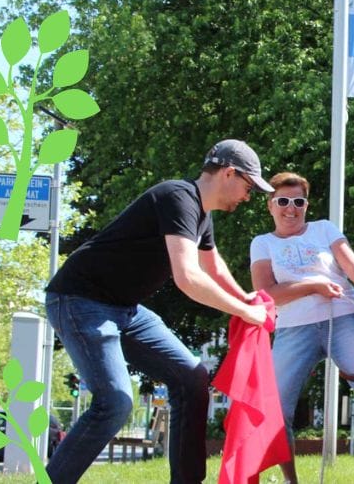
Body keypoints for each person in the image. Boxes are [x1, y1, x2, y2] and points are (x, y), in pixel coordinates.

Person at [44, 139, 273, 484]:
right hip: (80, 301)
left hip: (126, 310)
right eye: (249, 186)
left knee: (192, 377)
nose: (247, 196)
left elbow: (211, 265)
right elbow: (189, 277)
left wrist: (246, 298)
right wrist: (244, 310)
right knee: (115, 403)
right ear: (229, 173)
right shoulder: (176, 197)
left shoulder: (201, 214)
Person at [250, 172, 354, 484]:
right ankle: (291, 480)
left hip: (345, 320)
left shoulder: (324, 229)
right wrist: (313, 285)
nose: (290, 208)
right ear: (270, 205)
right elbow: (266, 294)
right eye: (283, 201)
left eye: (298, 201)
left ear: (306, 205)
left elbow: (352, 267)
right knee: (276, 408)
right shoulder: (262, 243)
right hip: (293, 329)